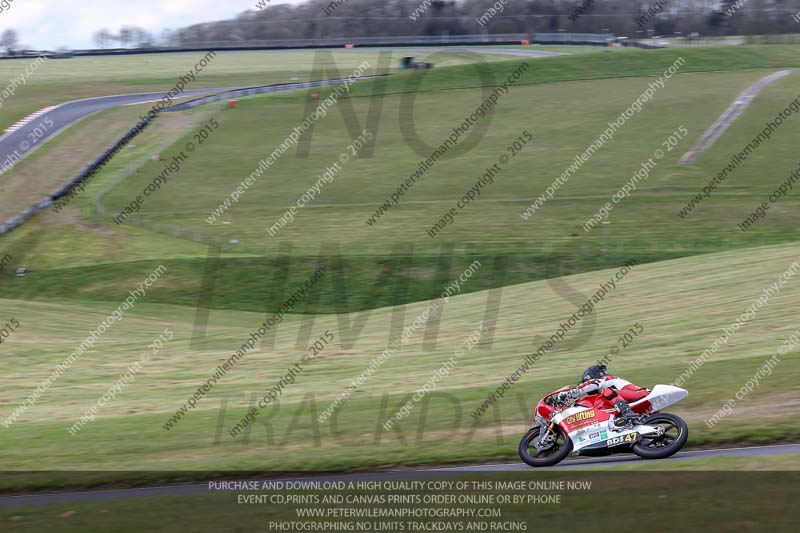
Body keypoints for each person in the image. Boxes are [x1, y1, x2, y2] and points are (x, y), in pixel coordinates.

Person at [553, 365, 649, 427]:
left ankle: (627, 412)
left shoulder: (604, 380)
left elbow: (592, 384)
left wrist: (569, 393)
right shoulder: (611, 381)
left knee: (606, 391)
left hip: (642, 395)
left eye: (586, 382)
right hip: (642, 401)